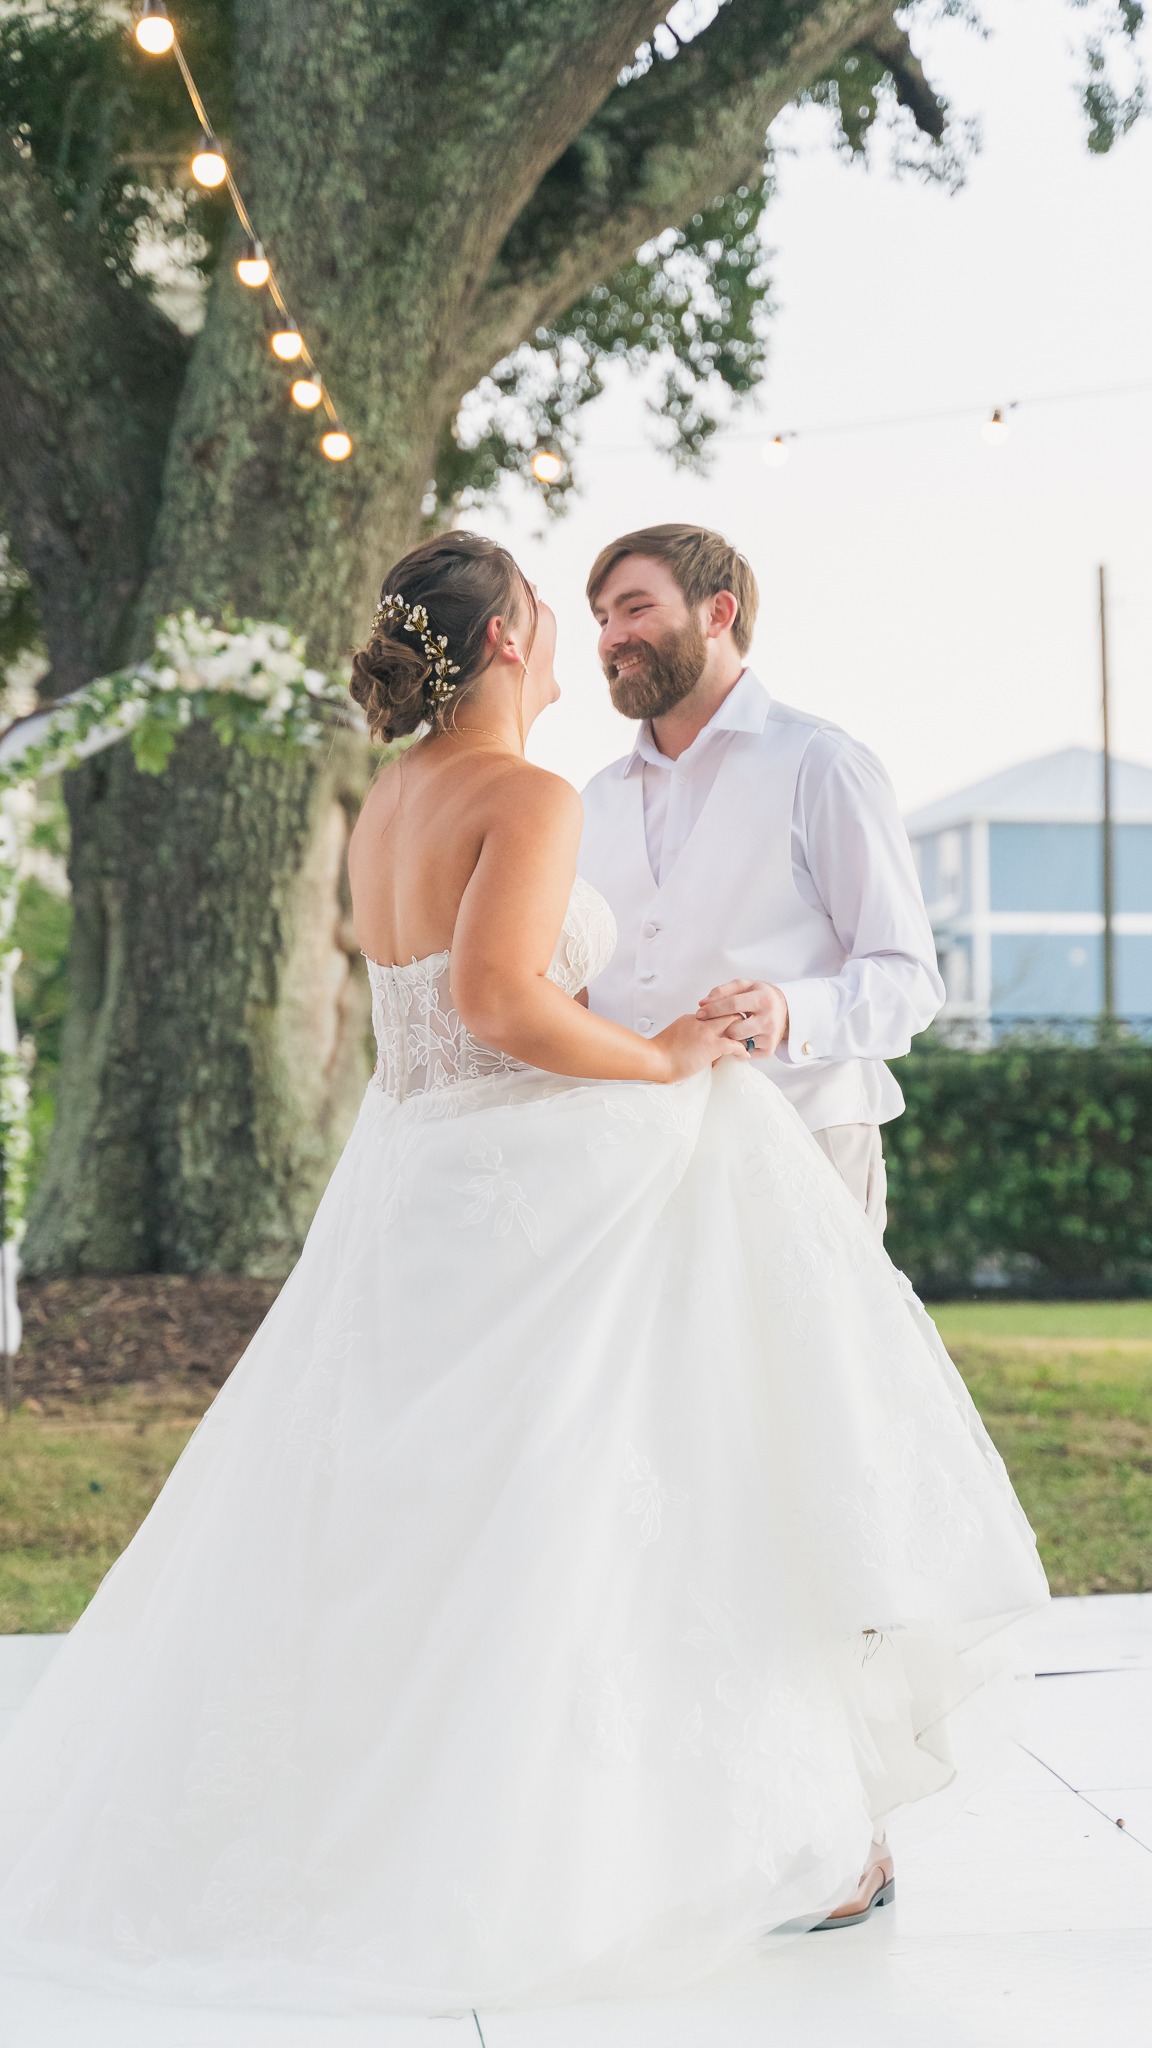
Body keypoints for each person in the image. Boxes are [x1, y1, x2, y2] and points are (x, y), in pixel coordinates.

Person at [0, 532, 1047, 2019]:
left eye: (625, 611)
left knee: (567, 1492)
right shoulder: (556, 792)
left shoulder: (425, 800)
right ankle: (660, 1826)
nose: (590, 640)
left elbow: (474, 1008)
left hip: (476, 1169)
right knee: (613, 1498)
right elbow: (503, 998)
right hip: (557, 1176)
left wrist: (734, 1037)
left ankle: (786, 1818)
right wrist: (669, 1063)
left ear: (715, 612)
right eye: (570, 616)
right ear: (504, 644)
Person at [579, 523, 946, 1235]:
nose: (610, 637)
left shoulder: (824, 764)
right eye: (601, 618)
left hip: (803, 1145)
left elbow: (908, 979)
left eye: (635, 608)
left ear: (719, 613)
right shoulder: (593, 799)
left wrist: (790, 1013)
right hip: (633, 1163)